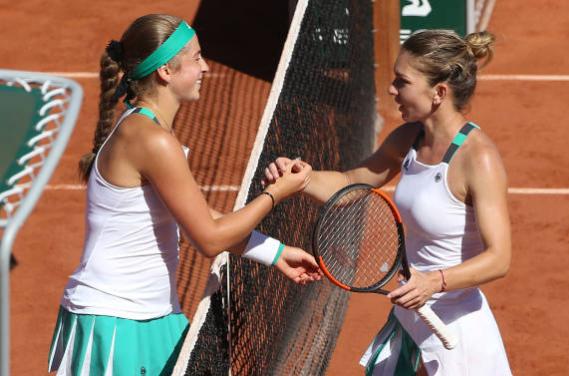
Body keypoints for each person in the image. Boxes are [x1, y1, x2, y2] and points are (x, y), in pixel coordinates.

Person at [47, 14, 321, 376]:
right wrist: (275, 194)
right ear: (165, 72)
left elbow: (204, 218)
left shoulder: (146, 128)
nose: (206, 67)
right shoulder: (152, 140)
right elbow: (208, 239)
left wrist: (277, 253)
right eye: (195, 58)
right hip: (118, 321)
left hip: (147, 314)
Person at [265, 29, 512, 375]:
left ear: (439, 92)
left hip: (457, 333)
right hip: (411, 320)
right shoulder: (409, 138)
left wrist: (434, 282)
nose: (391, 90)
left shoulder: (478, 158)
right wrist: (301, 177)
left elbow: (499, 259)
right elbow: (351, 183)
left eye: (402, 82)